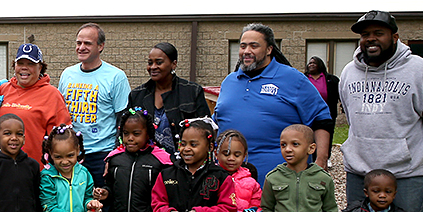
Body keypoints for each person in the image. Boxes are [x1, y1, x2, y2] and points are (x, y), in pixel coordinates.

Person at [338, 11, 423, 212]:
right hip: (360, 174)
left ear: (394, 36)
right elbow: (351, 118)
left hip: (404, 177)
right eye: (365, 34)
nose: (371, 39)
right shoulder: (348, 72)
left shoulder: (420, 71)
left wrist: (415, 156)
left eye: (378, 33)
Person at [214, 23, 333, 185]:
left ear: (269, 49)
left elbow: (322, 120)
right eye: (243, 46)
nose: (246, 51)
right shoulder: (229, 81)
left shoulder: (293, 79)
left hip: (281, 182)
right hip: (229, 180)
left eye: (254, 46)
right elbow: (216, 121)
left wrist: (321, 162)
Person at [58, 23, 131, 188]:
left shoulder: (116, 77)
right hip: (71, 153)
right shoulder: (67, 74)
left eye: (87, 43)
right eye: (78, 43)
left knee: (101, 205)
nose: (81, 47)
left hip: (101, 154)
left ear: (101, 46)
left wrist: (116, 155)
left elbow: (123, 120)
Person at [0, 44, 72, 169]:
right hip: (0, 168)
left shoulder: (52, 95)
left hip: (34, 170)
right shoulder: (3, 89)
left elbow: (62, 139)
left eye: (31, 64)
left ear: (40, 67)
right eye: (20, 63)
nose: (24, 68)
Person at [128, 42, 209, 155]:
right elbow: (124, 130)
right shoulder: (137, 95)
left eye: (159, 62)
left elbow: (206, 130)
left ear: (173, 64)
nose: (153, 67)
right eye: (150, 63)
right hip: (146, 163)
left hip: (182, 162)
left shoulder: (192, 91)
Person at [303, 56, 339, 165]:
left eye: (314, 63)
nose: (311, 65)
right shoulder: (303, 78)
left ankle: (325, 157)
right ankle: (310, 157)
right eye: (310, 63)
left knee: (326, 135)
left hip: (327, 113)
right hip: (308, 113)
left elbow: (339, 93)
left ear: (320, 64)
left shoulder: (331, 79)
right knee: (308, 135)